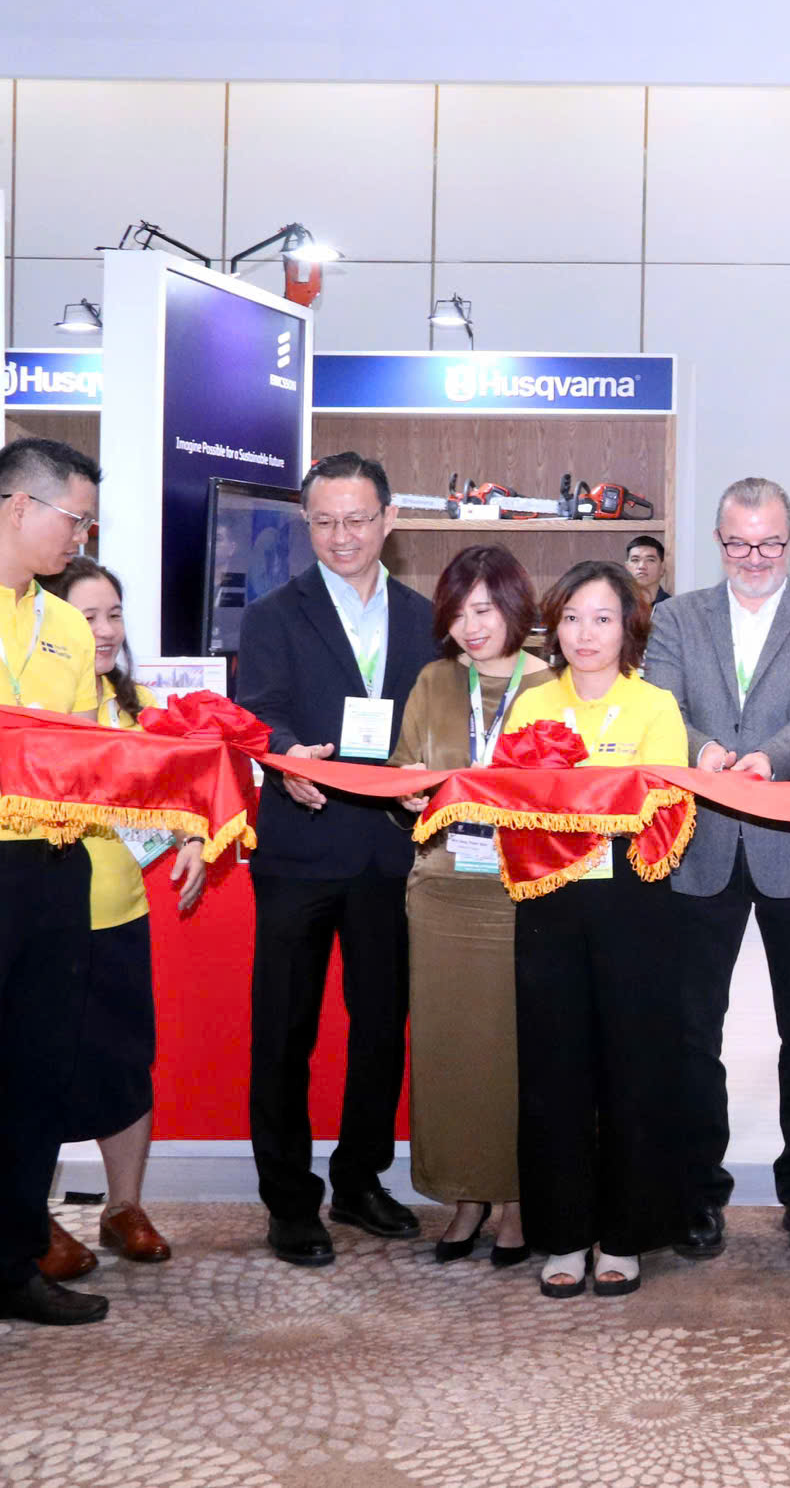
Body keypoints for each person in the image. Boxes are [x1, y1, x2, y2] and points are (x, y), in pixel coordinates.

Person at [236, 451, 437, 1267]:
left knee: (381, 1028)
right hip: (300, 849)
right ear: (306, 523)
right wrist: (286, 755)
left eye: (357, 520)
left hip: (390, 852)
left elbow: (438, 726)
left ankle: (360, 1179)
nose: (341, 536)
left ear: (389, 520)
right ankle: (290, 1202)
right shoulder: (272, 615)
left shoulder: (426, 617)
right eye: (323, 522)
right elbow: (259, 712)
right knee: (284, 1032)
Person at [645, 478, 790, 1261]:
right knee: (692, 1031)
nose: (754, 557)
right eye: (739, 543)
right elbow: (660, 708)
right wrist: (702, 751)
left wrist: (767, 760)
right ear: (718, 541)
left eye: (769, 543)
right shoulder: (675, 617)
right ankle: (699, 1192)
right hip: (700, 848)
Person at [500, 561, 691, 1298]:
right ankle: (564, 1233)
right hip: (548, 905)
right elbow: (514, 803)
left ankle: (626, 1234)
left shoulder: (655, 705)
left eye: (603, 618)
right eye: (573, 617)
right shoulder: (532, 704)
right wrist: (597, 802)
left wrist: (576, 805)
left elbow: (663, 803)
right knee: (554, 1071)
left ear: (628, 627)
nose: (586, 634)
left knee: (633, 1069)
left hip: (632, 905)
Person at [387, 546, 551, 1269]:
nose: (470, 627)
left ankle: (515, 1196)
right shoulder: (434, 680)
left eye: (483, 610)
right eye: (456, 613)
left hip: (521, 893)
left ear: (514, 605)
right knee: (448, 1050)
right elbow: (401, 769)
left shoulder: (553, 685)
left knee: (513, 1050)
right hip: (443, 891)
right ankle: (464, 1194)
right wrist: (408, 794)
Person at [48, 560, 206, 1273]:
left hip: (120, 915)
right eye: (88, 617)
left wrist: (194, 837)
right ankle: (31, 1219)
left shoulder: (139, 708)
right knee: (37, 1068)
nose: (106, 630)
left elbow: (183, 794)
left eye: (113, 614)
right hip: (43, 917)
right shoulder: (40, 709)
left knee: (124, 1064)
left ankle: (124, 1208)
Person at [0, 440, 110, 1326]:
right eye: (75, 519)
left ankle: (13, 1262)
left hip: (52, 869)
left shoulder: (68, 627)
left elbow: (91, 757)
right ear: (17, 507)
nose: (82, 537)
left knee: (37, 1073)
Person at [624, 535, 671, 605]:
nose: (641, 566)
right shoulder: (617, 605)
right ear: (626, 567)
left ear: (662, 568)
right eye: (635, 560)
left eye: (650, 560)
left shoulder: (673, 607)